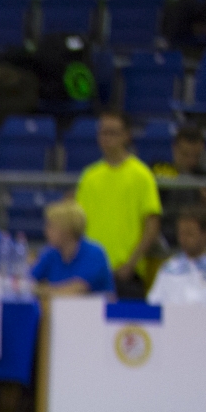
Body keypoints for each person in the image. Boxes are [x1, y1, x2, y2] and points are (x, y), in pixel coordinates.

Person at [76, 112, 164, 299]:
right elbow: (78, 223)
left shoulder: (141, 175)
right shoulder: (89, 176)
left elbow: (152, 225)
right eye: (103, 133)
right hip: (91, 274)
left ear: (126, 135)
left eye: (112, 133)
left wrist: (131, 264)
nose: (106, 138)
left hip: (126, 274)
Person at [148, 203, 206, 306]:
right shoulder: (169, 269)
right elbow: (154, 304)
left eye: (189, 234)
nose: (183, 239)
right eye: (181, 233)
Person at [31, 198, 116, 296]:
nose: (46, 231)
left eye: (51, 226)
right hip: (59, 305)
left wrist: (41, 290)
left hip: (93, 306)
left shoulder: (95, 253)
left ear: (67, 230)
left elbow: (77, 290)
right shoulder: (50, 253)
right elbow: (29, 282)